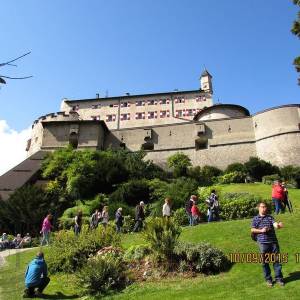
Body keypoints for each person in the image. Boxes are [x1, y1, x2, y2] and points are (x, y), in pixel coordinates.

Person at [251, 202, 284, 287]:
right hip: (263, 243)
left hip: (273, 243)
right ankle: (268, 280)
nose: (264, 208)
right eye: (262, 207)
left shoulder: (270, 217)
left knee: (277, 261)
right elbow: (252, 230)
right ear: (258, 208)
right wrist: (261, 230)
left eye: (265, 207)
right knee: (265, 263)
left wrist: (279, 226)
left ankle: (279, 279)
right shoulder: (255, 219)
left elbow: (275, 225)